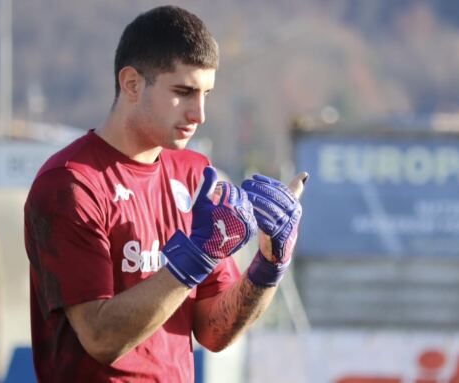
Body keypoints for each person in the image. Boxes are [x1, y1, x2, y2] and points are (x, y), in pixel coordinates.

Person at [24, 5, 307, 382]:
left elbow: (214, 332)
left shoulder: (195, 175)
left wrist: (268, 266)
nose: (199, 113)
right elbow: (100, 337)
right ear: (131, 84)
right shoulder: (70, 184)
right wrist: (196, 257)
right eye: (184, 92)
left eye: (206, 93)